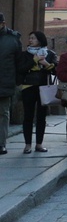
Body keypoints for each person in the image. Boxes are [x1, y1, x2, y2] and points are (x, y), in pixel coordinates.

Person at [16, 31, 57, 154]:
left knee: (41, 116)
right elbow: (20, 69)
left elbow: (56, 70)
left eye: (33, 38)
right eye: (29, 38)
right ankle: (27, 144)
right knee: (28, 116)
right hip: (28, 86)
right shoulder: (25, 54)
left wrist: (46, 64)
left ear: (40, 40)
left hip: (44, 87)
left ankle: (39, 144)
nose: (30, 40)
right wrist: (34, 61)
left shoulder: (49, 54)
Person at [0, 12, 22, 155]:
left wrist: (17, 82)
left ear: (3, 23)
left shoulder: (13, 39)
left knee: (3, 113)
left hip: (5, 82)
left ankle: (1, 143)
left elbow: (19, 63)